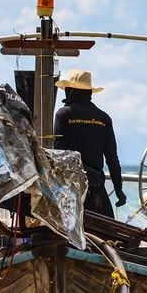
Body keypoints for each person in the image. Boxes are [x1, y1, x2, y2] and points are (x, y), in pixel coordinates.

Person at [54, 69, 127, 218]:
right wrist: (118, 189)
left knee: (72, 236)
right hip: (97, 187)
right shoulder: (104, 118)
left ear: (71, 90)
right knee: (106, 235)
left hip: (72, 187)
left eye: (67, 89)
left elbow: (60, 153)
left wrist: (82, 170)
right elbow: (112, 158)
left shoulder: (63, 114)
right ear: (89, 93)